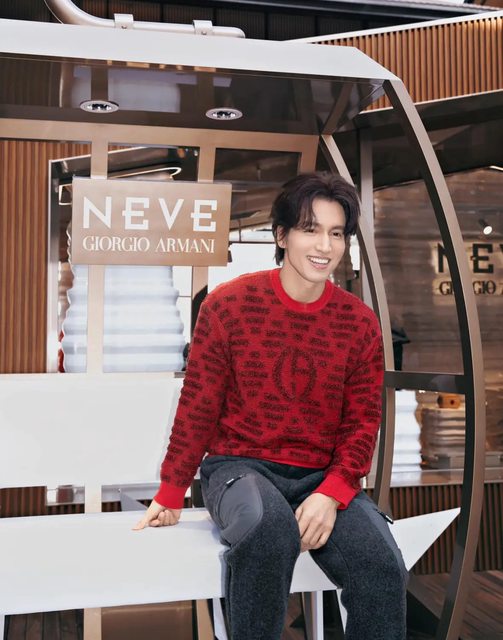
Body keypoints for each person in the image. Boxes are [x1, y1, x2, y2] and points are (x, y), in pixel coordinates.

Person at [135, 172, 408, 640]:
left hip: (322, 477)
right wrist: (171, 489)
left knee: (381, 565)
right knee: (269, 531)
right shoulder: (228, 306)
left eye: (336, 233)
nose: (324, 246)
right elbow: (198, 405)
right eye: (310, 229)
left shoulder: (359, 323)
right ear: (281, 236)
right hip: (239, 469)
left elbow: (363, 423)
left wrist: (332, 492)